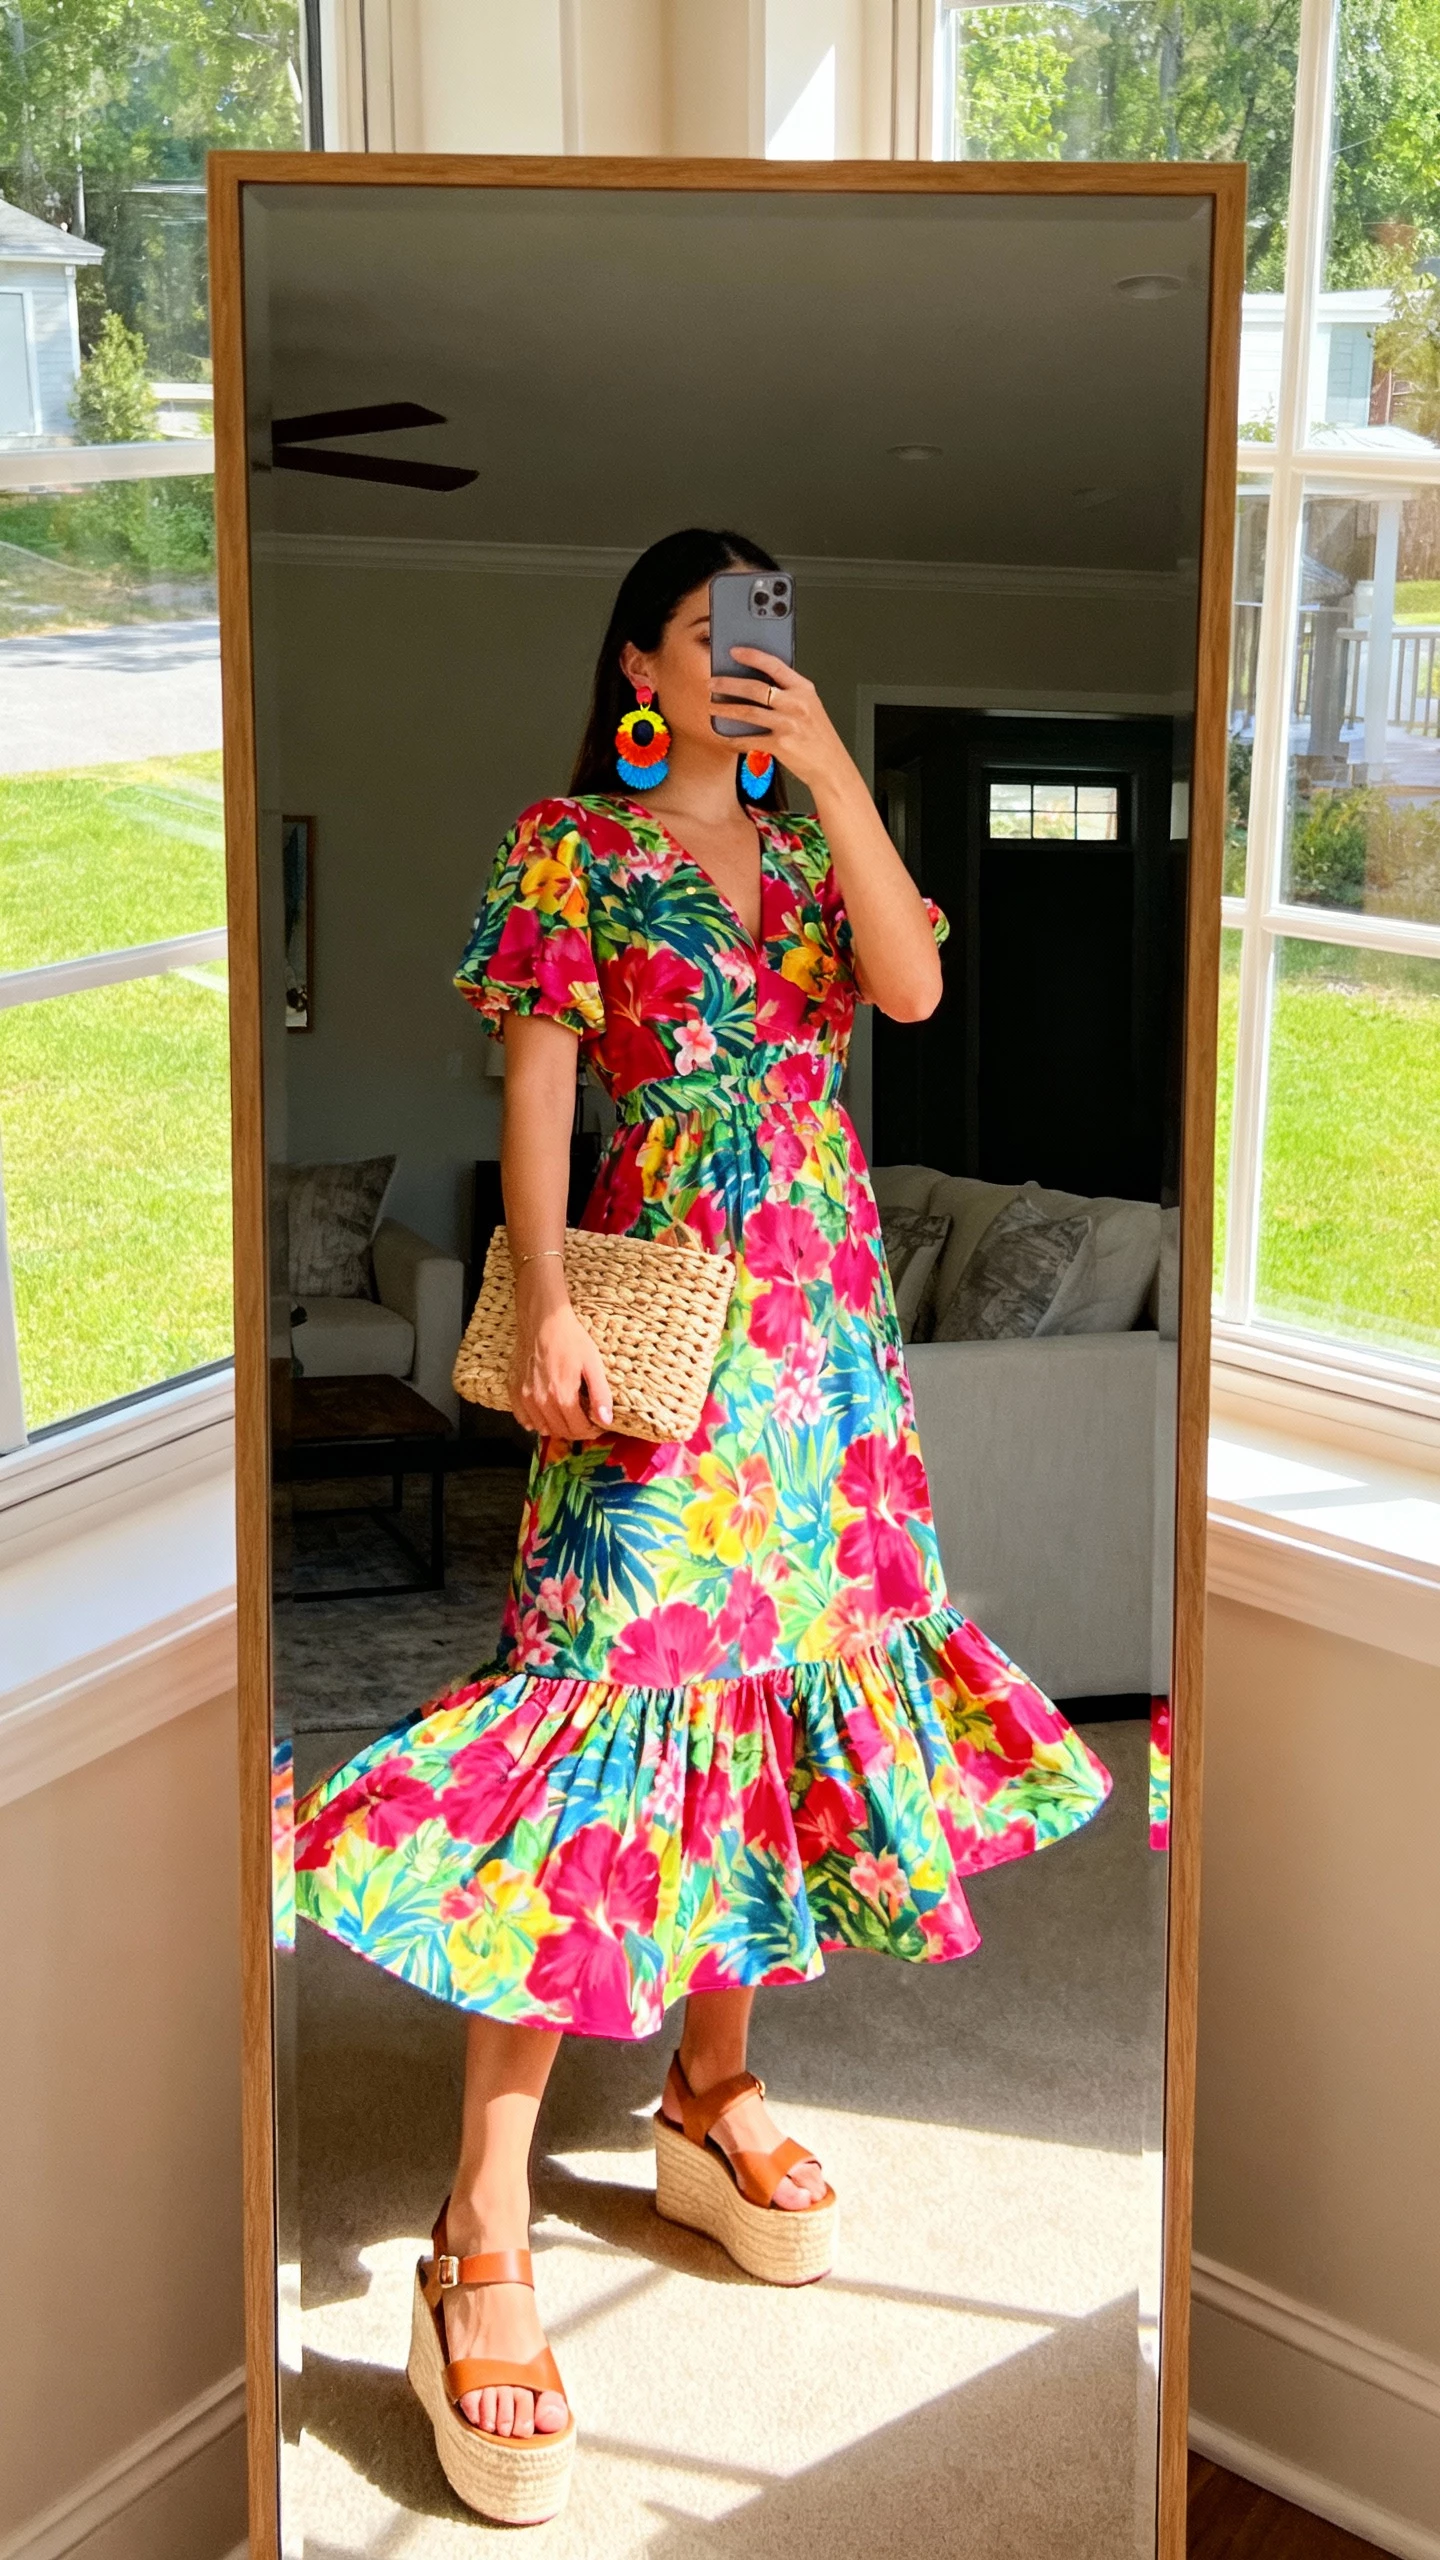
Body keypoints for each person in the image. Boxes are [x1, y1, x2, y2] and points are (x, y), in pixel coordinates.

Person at [292, 526, 1112, 2524]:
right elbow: (543, 1089)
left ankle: (710, 2082)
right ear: (642, 662)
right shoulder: (568, 846)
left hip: (824, 1359)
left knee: (769, 1716)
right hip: (660, 1345)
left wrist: (834, 775)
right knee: (599, 1726)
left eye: (783, 631)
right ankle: (478, 2218)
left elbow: (908, 988)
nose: (758, 656)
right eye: (719, 631)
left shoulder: (825, 843)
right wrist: (552, 1294)